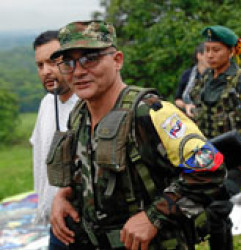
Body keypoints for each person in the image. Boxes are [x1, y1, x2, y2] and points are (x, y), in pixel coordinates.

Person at [47, 20, 226, 250]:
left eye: (90, 59)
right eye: (69, 63)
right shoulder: (79, 116)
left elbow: (211, 169)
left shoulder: (151, 112)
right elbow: (86, 172)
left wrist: (154, 216)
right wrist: (63, 195)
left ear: (117, 60)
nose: (79, 71)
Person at [189, 25, 241, 250]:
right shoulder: (202, 80)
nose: (210, 55)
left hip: (237, 156)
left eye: (216, 49)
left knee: (216, 209)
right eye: (207, 50)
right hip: (209, 155)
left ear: (230, 51)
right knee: (217, 212)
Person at [30, 30, 78, 249]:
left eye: (52, 61)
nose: (46, 72)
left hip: (81, 222)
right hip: (55, 222)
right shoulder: (46, 104)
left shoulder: (87, 103)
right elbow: (40, 157)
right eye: (40, 65)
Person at [174, 43, 208, 117]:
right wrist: (186, 106)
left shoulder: (217, 75)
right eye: (207, 53)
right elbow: (177, 100)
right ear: (199, 56)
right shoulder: (187, 75)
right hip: (190, 119)